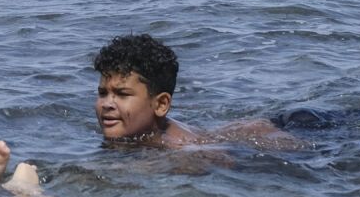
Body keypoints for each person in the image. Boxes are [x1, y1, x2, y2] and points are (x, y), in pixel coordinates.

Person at [92, 33, 287, 147]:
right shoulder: (137, 134)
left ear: (160, 104)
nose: (107, 104)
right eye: (102, 93)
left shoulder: (181, 150)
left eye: (122, 94)